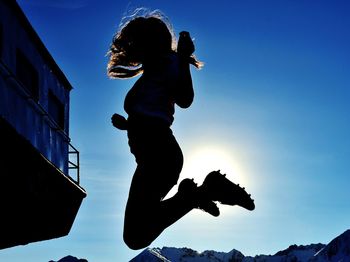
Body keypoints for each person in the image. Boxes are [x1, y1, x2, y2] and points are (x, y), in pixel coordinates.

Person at [107, 10, 255, 250]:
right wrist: (128, 125)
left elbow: (185, 99)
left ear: (150, 44)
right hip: (152, 156)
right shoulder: (153, 71)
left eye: (139, 43)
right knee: (136, 232)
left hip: (159, 155)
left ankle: (200, 192)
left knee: (135, 235)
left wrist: (185, 59)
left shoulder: (171, 63)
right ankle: (195, 194)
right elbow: (153, 113)